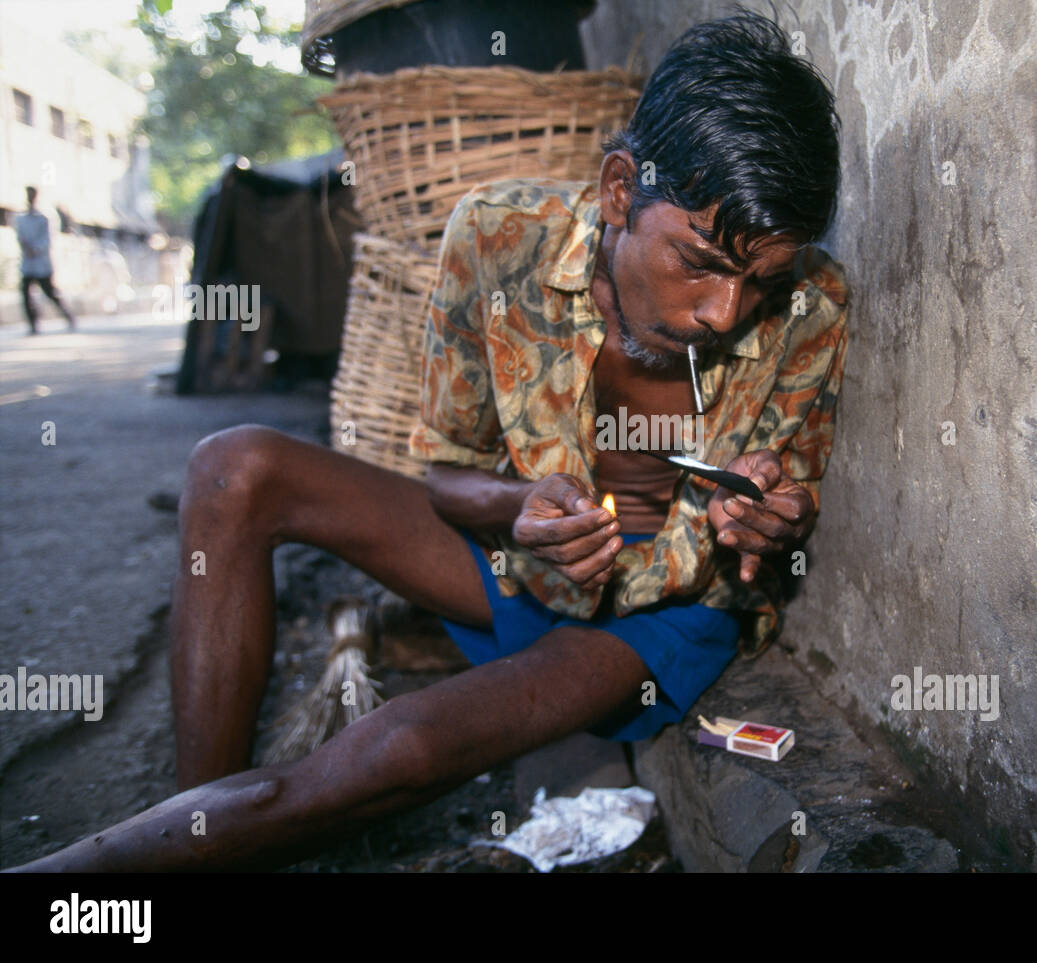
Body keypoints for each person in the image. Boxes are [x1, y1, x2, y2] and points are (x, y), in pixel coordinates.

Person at [9, 11, 848, 872]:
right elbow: (446, 471)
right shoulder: (495, 236)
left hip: (655, 618)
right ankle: (195, 826)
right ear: (618, 191)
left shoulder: (812, 310)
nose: (724, 311)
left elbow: (785, 500)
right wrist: (519, 508)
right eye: (701, 262)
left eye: (764, 280)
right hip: (514, 563)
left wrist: (766, 520)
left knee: (401, 746)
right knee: (232, 468)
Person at [15, 186, 76, 333]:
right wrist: (25, 247)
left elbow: (48, 239)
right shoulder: (20, 218)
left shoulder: (45, 217)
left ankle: (68, 315)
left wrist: (35, 249)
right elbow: (19, 236)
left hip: (41, 263)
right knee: (25, 294)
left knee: (50, 293)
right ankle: (33, 324)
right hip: (27, 263)